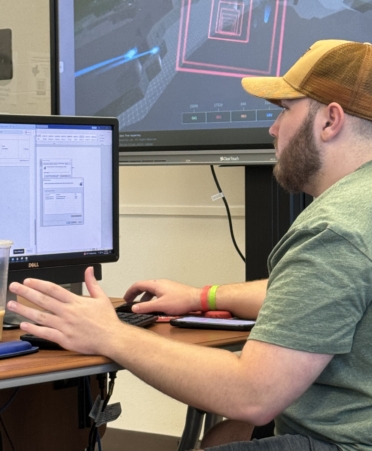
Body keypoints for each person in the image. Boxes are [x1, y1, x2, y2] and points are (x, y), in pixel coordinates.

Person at [7, 39, 372, 451]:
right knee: (222, 435)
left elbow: (253, 394)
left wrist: (110, 334)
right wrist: (202, 296)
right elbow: (313, 297)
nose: (273, 128)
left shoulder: (333, 227)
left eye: (284, 110)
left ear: (330, 121)